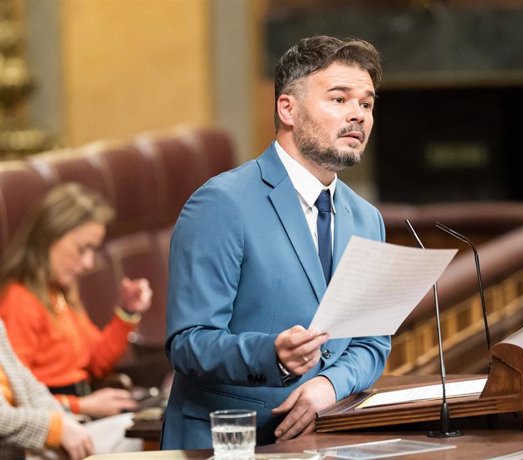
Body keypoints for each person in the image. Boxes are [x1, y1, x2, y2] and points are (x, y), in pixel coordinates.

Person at [162, 35, 391, 449]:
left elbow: (371, 342)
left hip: (325, 440)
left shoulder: (367, 219)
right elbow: (188, 342)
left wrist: (328, 385)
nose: (357, 115)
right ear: (288, 108)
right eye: (339, 100)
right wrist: (272, 355)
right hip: (227, 443)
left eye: (366, 104)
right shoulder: (221, 203)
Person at [0, 182, 152, 420]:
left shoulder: (60, 293)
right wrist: (80, 405)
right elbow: (14, 397)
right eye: (82, 249)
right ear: (50, 236)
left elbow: (97, 362)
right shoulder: (19, 301)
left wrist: (127, 311)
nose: (89, 264)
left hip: (83, 413)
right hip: (59, 424)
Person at [0, 318, 93, 460]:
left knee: (125, 430)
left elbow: (27, 382)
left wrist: (63, 421)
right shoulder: (20, 303)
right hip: (20, 445)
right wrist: (55, 427)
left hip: (39, 430)